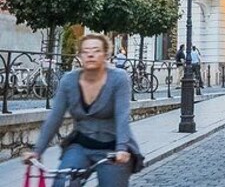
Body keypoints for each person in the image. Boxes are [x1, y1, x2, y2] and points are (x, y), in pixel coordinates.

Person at [24, 34, 141, 186]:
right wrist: (37, 151)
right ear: (80, 55)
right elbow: (54, 118)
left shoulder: (119, 78)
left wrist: (121, 149)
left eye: (96, 50)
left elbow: (122, 116)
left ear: (106, 55)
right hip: (80, 145)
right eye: (85, 51)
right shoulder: (69, 80)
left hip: (113, 148)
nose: (90, 54)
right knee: (62, 181)